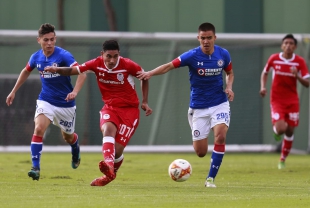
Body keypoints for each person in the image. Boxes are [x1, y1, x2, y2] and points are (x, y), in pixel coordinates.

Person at [137, 22, 234, 188]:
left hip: (220, 103)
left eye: (209, 38)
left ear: (214, 38)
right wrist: (150, 73)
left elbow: (230, 72)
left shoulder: (223, 54)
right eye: (203, 38)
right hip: (199, 107)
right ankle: (201, 141)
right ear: (198, 38)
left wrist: (229, 87)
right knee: (201, 152)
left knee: (220, 136)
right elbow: (169, 66)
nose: (206, 41)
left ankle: (210, 179)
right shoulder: (192, 56)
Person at [44, 39, 153, 186]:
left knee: (118, 151)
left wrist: (145, 101)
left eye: (115, 56)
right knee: (108, 130)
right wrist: (57, 70)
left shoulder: (128, 65)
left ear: (119, 54)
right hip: (110, 107)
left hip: (130, 110)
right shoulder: (95, 64)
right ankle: (108, 165)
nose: (112, 60)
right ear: (102, 54)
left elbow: (144, 77)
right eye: (109, 56)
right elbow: (74, 71)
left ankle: (109, 175)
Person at [6, 23, 87, 181]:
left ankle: (75, 147)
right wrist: (13, 91)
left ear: (55, 39)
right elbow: (26, 71)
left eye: (52, 39)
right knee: (38, 129)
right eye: (46, 40)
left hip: (65, 105)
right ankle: (35, 168)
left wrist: (74, 92)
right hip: (46, 101)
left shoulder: (64, 55)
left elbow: (82, 73)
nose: (49, 43)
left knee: (68, 138)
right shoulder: (36, 57)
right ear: (39, 40)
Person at [260, 34, 310, 169]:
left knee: (290, 131)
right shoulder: (274, 59)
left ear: (295, 47)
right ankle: (276, 132)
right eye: (286, 43)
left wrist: (297, 76)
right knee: (282, 128)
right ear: (282, 46)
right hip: (277, 99)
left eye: (291, 43)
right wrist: (263, 87)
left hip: (293, 100)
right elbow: (265, 72)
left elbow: (307, 83)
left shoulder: (299, 62)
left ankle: (282, 159)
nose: (288, 45)